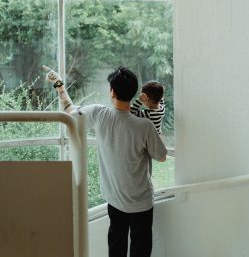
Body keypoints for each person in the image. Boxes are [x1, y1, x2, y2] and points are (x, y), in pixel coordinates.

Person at [43, 65, 167, 257]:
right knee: (141, 250)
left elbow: (69, 110)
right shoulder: (145, 126)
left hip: (115, 201)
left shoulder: (99, 115)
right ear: (134, 93)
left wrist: (59, 85)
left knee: (116, 249)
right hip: (141, 203)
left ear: (112, 92)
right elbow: (161, 156)